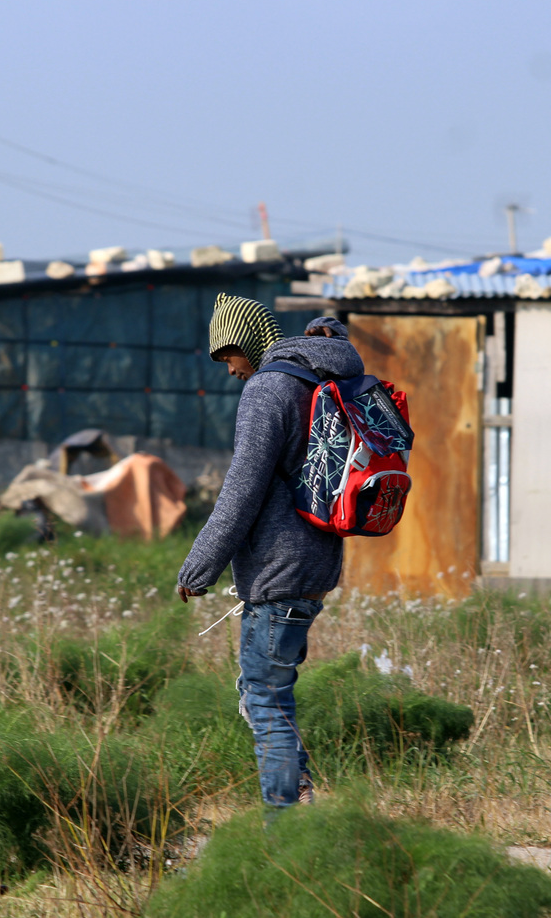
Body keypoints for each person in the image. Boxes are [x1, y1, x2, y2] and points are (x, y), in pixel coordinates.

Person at [176, 292, 365, 810]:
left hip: (279, 570)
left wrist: (199, 566)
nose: (230, 370)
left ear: (248, 343)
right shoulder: (319, 376)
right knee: (265, 690)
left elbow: (243, 488)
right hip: (316, 563)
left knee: (264, 698)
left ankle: (285, 824)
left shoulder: (268, 388)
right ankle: (296, 798)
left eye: (228, 356)